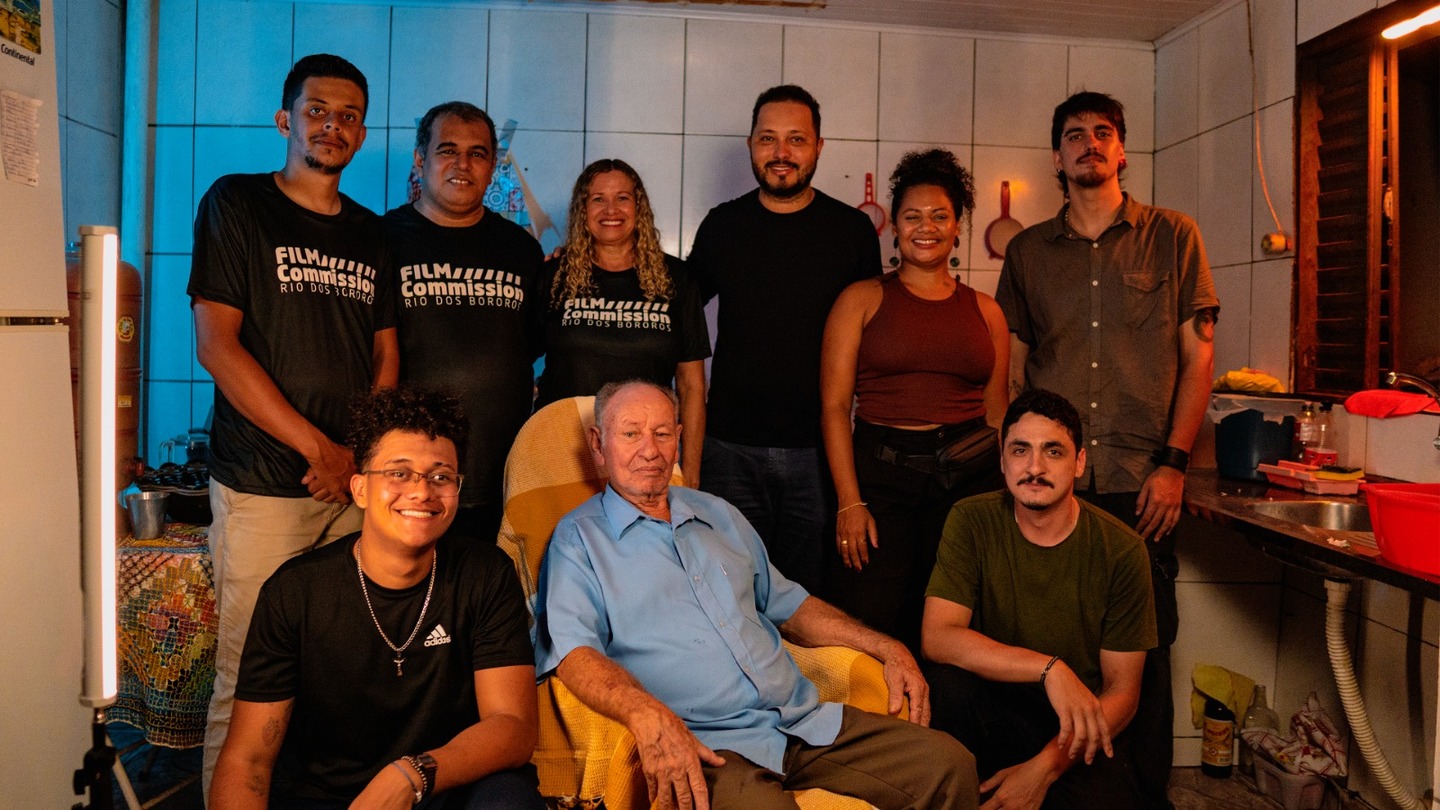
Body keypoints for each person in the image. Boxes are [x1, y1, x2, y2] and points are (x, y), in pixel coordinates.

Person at [533, 380, 978, 810]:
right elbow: (574, 653)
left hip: (801, 723)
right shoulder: (578, 540)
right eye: (631, 434)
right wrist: (645, 714)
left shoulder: (719, 513)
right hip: (707, 746)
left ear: (679, 440)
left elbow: (792, 606)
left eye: (662, 433)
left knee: (950, 766)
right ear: (598, 446)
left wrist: (885, 646)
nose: (650, 450)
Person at [995, 90, 1219, 807]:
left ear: (1121, 150)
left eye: (1102, 133)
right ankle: (1055, 786)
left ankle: (1142, 797)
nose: (1089, 144)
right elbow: (1013, 368)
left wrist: (1174, 465)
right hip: (1050, 485)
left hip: (1138, 480)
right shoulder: (1028, 252)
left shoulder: (1174, 237)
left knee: (1142, 655)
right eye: (1073, 135)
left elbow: (1198, 360)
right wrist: (1018, 467)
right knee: (1052, 643)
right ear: (1056, 157)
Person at [188, 53, 399, 790]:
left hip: (347, 493)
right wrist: (322, 449)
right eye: (317, 110)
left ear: (363, 132)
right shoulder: (238, 204)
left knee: (338, 673)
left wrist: (357, 457)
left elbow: (386, 359)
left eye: (347, 115)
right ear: (286, 120)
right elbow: (217, 345)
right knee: (249, 675)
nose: (331, 125)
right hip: (263, 486)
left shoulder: (374, 235)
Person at [210, 387, 543, 809]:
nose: (422, 492)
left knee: (509, 798)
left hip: (441, 782)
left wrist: (412, 774)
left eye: (441, 476)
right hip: (330, 799)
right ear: (361, 489)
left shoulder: (485, 574)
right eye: (399, 474)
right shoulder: (294, 593)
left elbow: (512, 727)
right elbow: (248, 761)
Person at [921, 390, 1156, 810]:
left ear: (1079, 462)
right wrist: (1049, 670)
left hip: (1072, 726)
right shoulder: (971, 519)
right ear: (1002, 460)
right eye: (1020, 450)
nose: (1034, 467)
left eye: (1053, 451)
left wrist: (1043, 769)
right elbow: (937, 636)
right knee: (948, 687)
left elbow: (1123, 693)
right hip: (995, 704)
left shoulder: (1121, 549)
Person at [688, 84, 882, 594]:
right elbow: (672, 309)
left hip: (819, 454)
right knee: (729, 591)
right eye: (768, 139)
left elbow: (875, 332)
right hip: (729, 449)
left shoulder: (852, 231)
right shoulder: (722, 226)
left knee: (808, 598)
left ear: (819, 147)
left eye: (796, 139)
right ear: (750, 145)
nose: (781, 153)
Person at [819, 148, 1008, 652]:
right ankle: (879, 730)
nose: (926, 227)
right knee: (872, 623)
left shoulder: (987, 312)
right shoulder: (860, 299)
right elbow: (836, 408)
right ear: (895, 229)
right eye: (912, 216)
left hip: (970, 482)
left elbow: (997, 414)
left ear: (957, 227)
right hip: (882, 480)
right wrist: (849, 501)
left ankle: (944, 730)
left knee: (957, 627)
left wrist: (1008, 507)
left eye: (939, 216)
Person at [384, 101, 544, 541]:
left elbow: (526, 346)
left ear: (493, 165)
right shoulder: (381, 240)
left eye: (477, 153)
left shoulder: (520, 250)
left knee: (486, 603)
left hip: (501, 478)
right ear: (420, 158)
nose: (462, 164)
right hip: (409, 482)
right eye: (447, 150)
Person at [534, 158, 710, 485]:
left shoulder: (677, 279)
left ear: (638, 207)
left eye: (622, 198)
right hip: (562, 452)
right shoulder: (554, 277)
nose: (610, 209)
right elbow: (515, 362)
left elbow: (692, 386)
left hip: (646, 455)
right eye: (598, 199)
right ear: (581, 210)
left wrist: (692, 474)